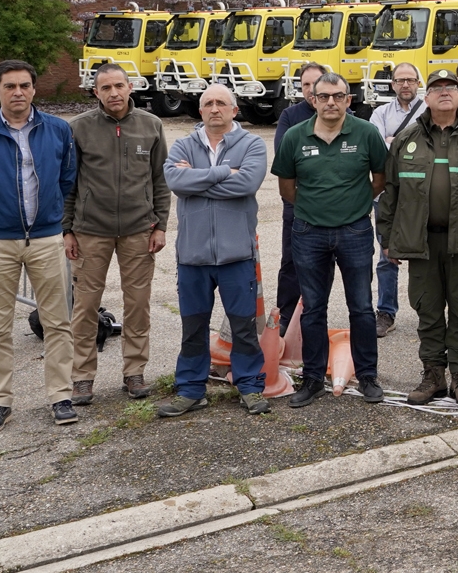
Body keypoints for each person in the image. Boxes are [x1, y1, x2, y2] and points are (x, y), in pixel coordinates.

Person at [0, 60, 79, 432]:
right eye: (10, 86)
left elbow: (67, 178)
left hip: (45, 239)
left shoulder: (57, 130)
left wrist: (51, 217)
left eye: (24, 85)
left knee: (57, 322)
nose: (18, 93)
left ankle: (60, 396)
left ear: (34, 89)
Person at [379, 70, 458, 407]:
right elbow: (390, 193)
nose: (445, 92)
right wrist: (387, 238)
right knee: (428, 311)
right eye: (437, 88)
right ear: (427, 96)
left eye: (451, 87)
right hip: (421, 242)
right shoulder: (407, 138)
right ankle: (433, 374)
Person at [271, 72, 388, 408]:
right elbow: (286, 188)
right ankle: (312, 379)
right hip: (309, 233)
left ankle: (368, 376)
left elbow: (379, 179)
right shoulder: (295, 137)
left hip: (355, 231)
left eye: (338, 96)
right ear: (314, 100)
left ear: (348, 100)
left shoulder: (366, 134)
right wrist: (315, 209)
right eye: (324, 97)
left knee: (362, 308)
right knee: (312, 309)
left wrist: (355, 204)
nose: (331, 102)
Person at [157, 85, 270, 417]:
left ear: (235, 110)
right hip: (193, 258)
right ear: (201, 110)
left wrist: (198, 180)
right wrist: (222, 173)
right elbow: (176, 182)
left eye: (222, 103)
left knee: (243, 328)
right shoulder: (183, 144)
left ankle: (250, 386)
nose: (215, 108)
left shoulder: (252, 145)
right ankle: (191, 389)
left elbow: (246, 184)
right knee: (193, 328)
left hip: (237, 256)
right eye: (208, 103)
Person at [62, 63, 169, 406]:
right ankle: (82, 378)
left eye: (119, 86)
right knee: (85, 307)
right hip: (90, 231)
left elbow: (160, 181)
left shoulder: (150, 126)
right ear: (96, 93)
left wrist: (161, 224)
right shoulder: (79, 129)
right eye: (105, 88)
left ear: (130, 86)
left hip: (139, 231)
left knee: (137, 304)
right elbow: (68, 185)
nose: (114, 93)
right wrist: (67, 229)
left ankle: (134, 372)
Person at [367, 63, 427, 338]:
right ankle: (386, 312)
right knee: (386, 255)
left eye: (411, 80)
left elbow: (431, 148)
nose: (406, 85)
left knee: (426, 253)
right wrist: (400, 145)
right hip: (388, 194)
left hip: (422, 194)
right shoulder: (379, 113)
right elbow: (378, 149)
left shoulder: (428, 111)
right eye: (400, 80)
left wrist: (394, 141)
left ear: (418, 83)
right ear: (392, 84)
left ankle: (429, 311)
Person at [273, 63, 326, 332]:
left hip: (332, 208)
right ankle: (285, 318)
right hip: (296, 205)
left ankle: (315, 320)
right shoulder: (290, 116)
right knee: (291, 264)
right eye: (305, 85)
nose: (311, 90)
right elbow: (285, 158)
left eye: (315, 83)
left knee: (325, 267)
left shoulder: (342, 112)